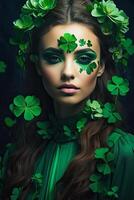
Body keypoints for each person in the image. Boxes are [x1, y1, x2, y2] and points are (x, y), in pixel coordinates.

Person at [0, 0, 134, 199]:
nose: (68, 73)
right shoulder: (16, 153)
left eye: (84, 58)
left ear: (101, 66)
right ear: (37, 65)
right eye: (53, 58)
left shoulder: (123, 152)